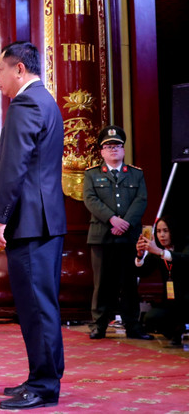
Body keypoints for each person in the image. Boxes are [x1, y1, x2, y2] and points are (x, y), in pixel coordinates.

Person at [0, 41, 67, 410]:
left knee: (37, 307)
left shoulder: (26, 104)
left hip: (31, 223)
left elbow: (13, 166)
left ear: (19, 69)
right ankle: (42, 375)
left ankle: (44, 385)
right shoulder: (44, 100)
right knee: (40, 305)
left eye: (0, 69)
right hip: (43, 222)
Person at [83, 125, 150, 340]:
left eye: (117, 146)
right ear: (101, 151)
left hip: (129, 236)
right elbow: (90, 199)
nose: (113, 149)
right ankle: (99, 325)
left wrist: (125, 223)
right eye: (108, 146)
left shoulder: (136, 174)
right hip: (102, 235)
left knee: (129, 283)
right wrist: (112, 219)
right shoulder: (92, 174)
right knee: (102, 283)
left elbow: (141, 200)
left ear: (123, 150)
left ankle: (133, 325)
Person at [136, 216, 189, 345]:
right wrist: (140, 255)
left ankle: (180, 327)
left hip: (186, 298)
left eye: (166, 231)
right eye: (159, 231)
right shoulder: (158, 250)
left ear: (173, 231)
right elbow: (143, 272)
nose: (162, 235)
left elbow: (184, 260)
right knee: (150, 319)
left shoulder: (185, 245)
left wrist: (160, 252)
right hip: (171, 301)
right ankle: (176, 332)